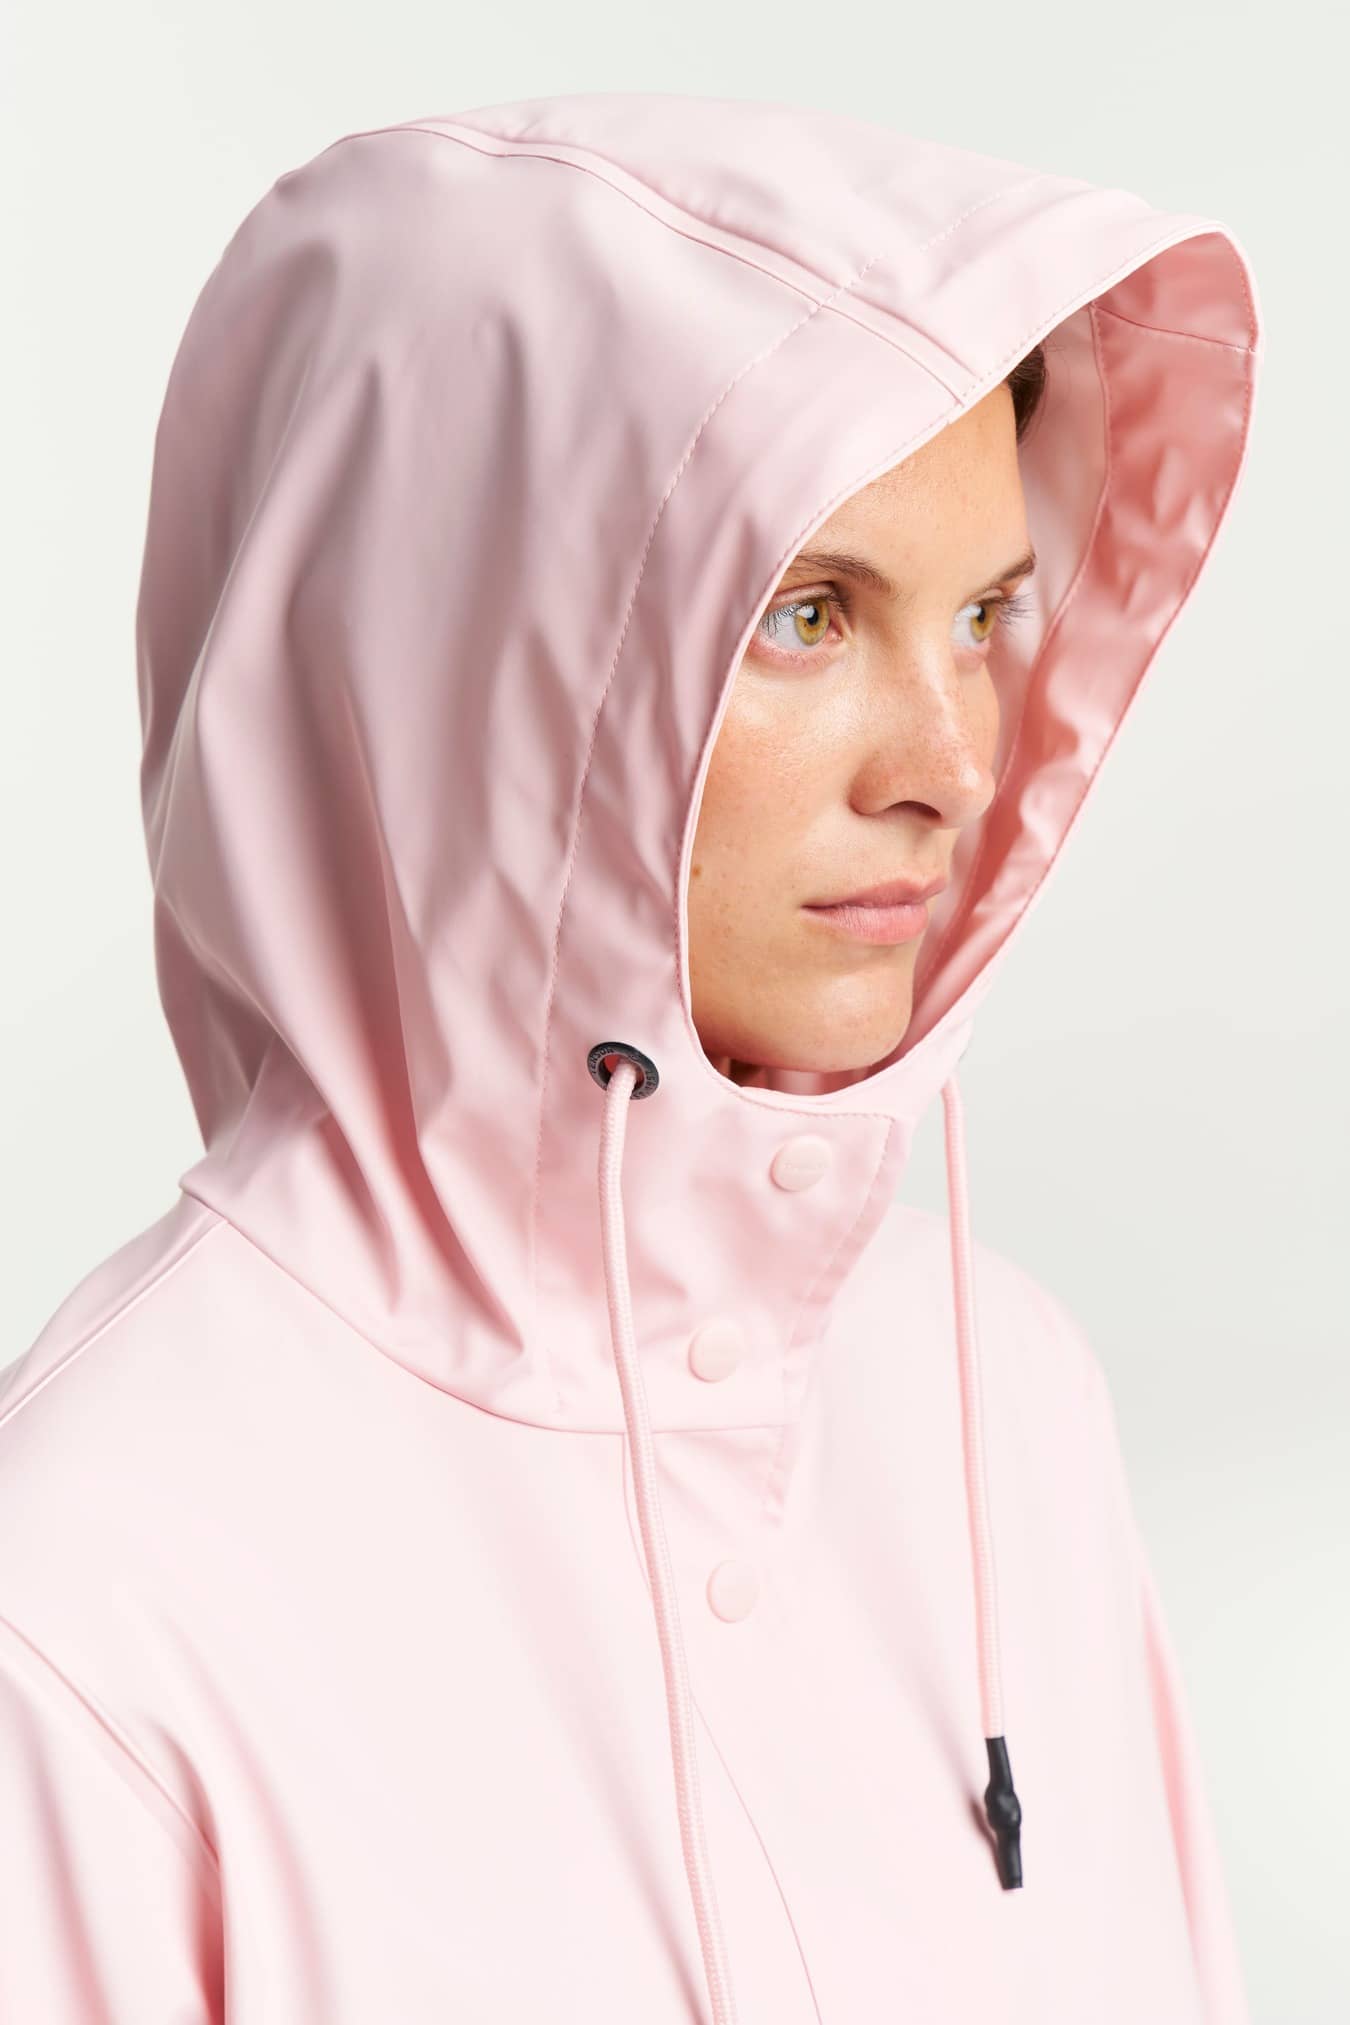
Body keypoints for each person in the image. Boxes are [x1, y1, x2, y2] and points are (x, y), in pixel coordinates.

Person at [0, 93, 1261, 2022]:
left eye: (985, 618)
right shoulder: (92, 1593)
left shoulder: (997, 1393)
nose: (947, 763)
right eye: (808, 616)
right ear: (470, 667)